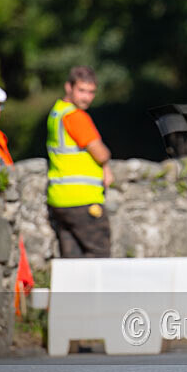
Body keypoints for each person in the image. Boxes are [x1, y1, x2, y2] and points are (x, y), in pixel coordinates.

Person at [46, 66, 113, 258]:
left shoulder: (56, 113)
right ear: (69, 87)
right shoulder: (75, 116)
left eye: (91, 92)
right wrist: (106, 163)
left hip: (60, 198)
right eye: (81, 90)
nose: (86, 97)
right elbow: (100, 153)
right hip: (82, 199)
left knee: (72, 263)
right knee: (99, 256)